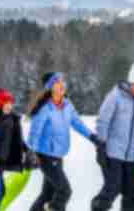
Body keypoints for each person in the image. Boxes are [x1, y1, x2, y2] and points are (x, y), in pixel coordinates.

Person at [27, 72, 101, 211]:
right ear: (50, 87)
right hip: (45, 157)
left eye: (62, 81)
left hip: (58, 157)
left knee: (47, 194)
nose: (62, 84)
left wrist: (93, 137)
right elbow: (34, 133)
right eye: (57, 82)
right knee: (64, 191)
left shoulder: (67, 105)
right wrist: (31, 152)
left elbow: (77, 123)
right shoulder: (45, 108)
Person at [91, 62, 134, 211]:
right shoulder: (115, 97)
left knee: (133, 190)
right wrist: (100, 147)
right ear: (131, 82)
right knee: (113, 188)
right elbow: (103, 122)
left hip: (130, 156)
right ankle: (97, 207)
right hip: (113, 153)